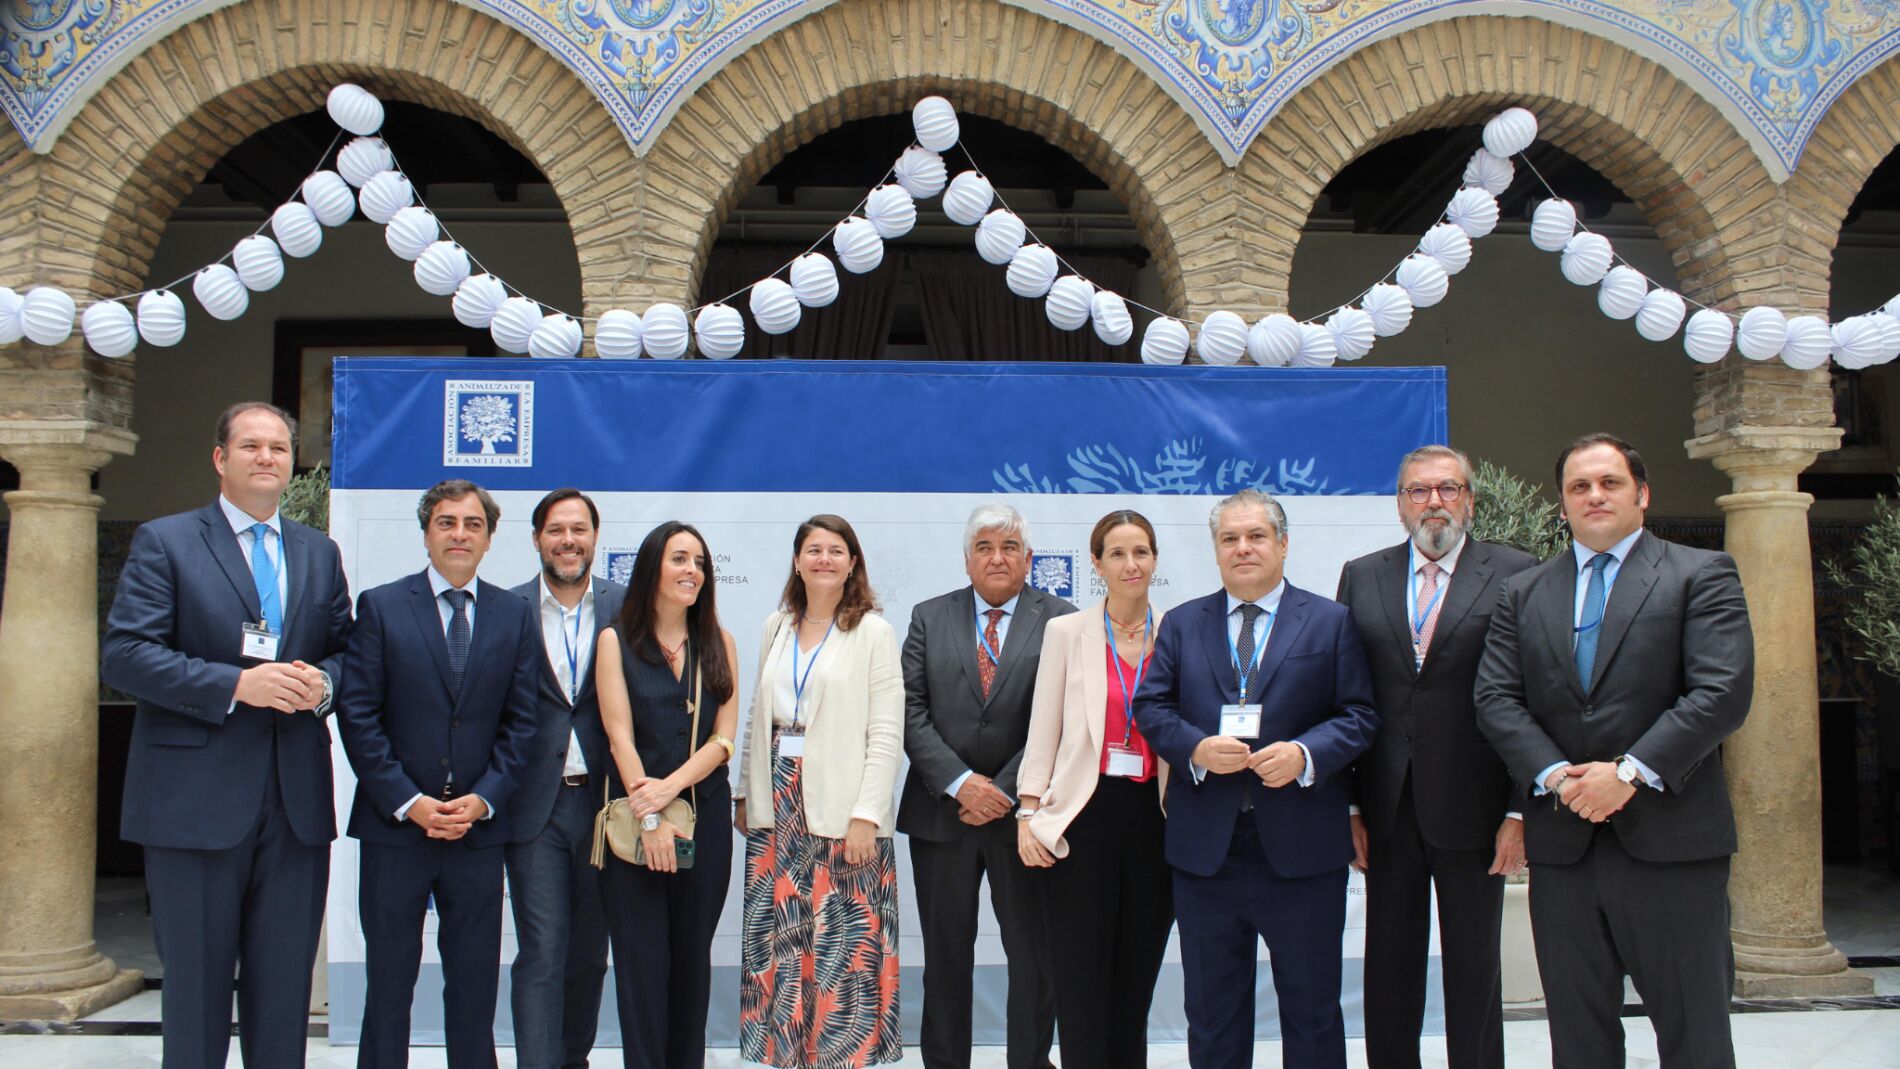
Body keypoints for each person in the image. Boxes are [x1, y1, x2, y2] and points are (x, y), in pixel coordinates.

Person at [1476, 433, 1753, 1069]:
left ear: (1642, 494)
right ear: (1563, 504)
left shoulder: (1700, 575)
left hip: (1673, 846)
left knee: (1695, 1033)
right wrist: (1557, 777)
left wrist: (1628, 773)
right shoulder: (1523, 593)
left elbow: (1721, 693)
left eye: (1610, 483)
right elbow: (1495, 698)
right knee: (1579, 1039)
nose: (1594, 496)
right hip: (1564, 849)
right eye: (1579, 487)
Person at [101, 401, 353, 1069]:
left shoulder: (318, 552)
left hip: (295, 803)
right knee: (197, 991)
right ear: (221, 458)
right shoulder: (167, 541)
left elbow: (347, 651)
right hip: (193, 802)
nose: (267, 457)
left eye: (278, 447)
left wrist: (323, 684)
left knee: (284, 990)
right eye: (251, 446)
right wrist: (236, 685)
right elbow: (125, 655)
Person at [1133, 487, 1377, 1069]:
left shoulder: (1331, 621)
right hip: (1206, 855)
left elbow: (1360, 715)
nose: (1242, 548)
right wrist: (1195, 747)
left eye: (1256, 536)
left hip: (1302, 851)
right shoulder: (1182, 623)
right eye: (1229, 539)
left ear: (1283, 544)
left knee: (1313, 1012)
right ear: (1216, 550)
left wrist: (1305, 754)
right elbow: (1151, 707)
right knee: (1212, 1014)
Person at [1335, 445, 1537, 1069]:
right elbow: (1346, 695)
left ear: (1469, 500)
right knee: (1389, 968)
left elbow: (1535, 697)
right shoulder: (1361, 575)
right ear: (1400, 505)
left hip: (1478, 810)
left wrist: (1520, 812)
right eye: (1418, 491)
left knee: (1475, 970)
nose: (1434, 502)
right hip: (1386, 806)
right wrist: (1349, 806)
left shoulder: (1517, 573)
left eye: (1448, 489)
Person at [336, 479, 540, 1069]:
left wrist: (484, 799)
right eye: (446, 522)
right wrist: (409, 801)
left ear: (490, 537)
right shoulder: (381, 606)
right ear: (426, 533)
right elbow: (358, 714)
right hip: (396, 829)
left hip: (477, 832)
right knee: (389, 983)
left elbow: (523, 722)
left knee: (474, 986)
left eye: (473, 524)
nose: (459, 534)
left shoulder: (513, 615)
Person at [899, 503, 1076, 1069]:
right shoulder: (929, 616)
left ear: (1029, 558)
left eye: (1009, 548)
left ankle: (1030, 1061)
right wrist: (960, 783)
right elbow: (909, 710)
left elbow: (1066, 715)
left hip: (1026, 818)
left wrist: (1002, 789)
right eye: (984, 548)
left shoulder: (1063, 620)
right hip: (940, 816)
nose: (997, 558)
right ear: (967, 559)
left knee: (1033, 957)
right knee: (945, 957)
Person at [734, 514, 904, 1068]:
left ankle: (839, 1057)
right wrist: (745, 791)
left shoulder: (873, 632)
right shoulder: (776, 626)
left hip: (842, 805)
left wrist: (868, 815)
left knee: (839, 951)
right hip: (777, 803)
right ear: (797, 560)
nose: (823, 559)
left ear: (852, 563)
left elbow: (886, 732)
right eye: (813, 549)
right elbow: (758, 715)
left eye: (835, 550)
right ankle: (786, 1055)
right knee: (781, 940)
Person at [1016, 509, 1174, 1069]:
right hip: (1083, 820)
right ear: (1096, 563)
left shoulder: (1177, 633)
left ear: (1154, 560)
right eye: (1117, 553)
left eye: (1141, 552)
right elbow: (1044, 729)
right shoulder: (1067, 632)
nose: (1131, 564)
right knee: (1080, 982)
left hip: (1157, 822)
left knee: (1135, 983)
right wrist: (1027, 813)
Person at [595, 520, 741, 1069]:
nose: (692, 571)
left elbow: (724, 739)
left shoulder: (720, 642)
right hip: (635, 830)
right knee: (641, 969)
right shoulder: (616, 641)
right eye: (680, 559)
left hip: (705, 824)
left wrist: (672, 789)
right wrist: (652, 819)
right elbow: (619, 737)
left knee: (690, 966)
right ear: (651, 568)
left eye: (699, 563)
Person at [505, 488, 625, 1069]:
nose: (568, 541)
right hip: (535, 808)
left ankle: (572, 1060)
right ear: (536, 539)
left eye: (579, 530)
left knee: (589, 954)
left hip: (607, 807)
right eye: (556, 530)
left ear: (595, 538)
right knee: (542, 951)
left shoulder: (628, 606)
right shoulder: (507, 609)